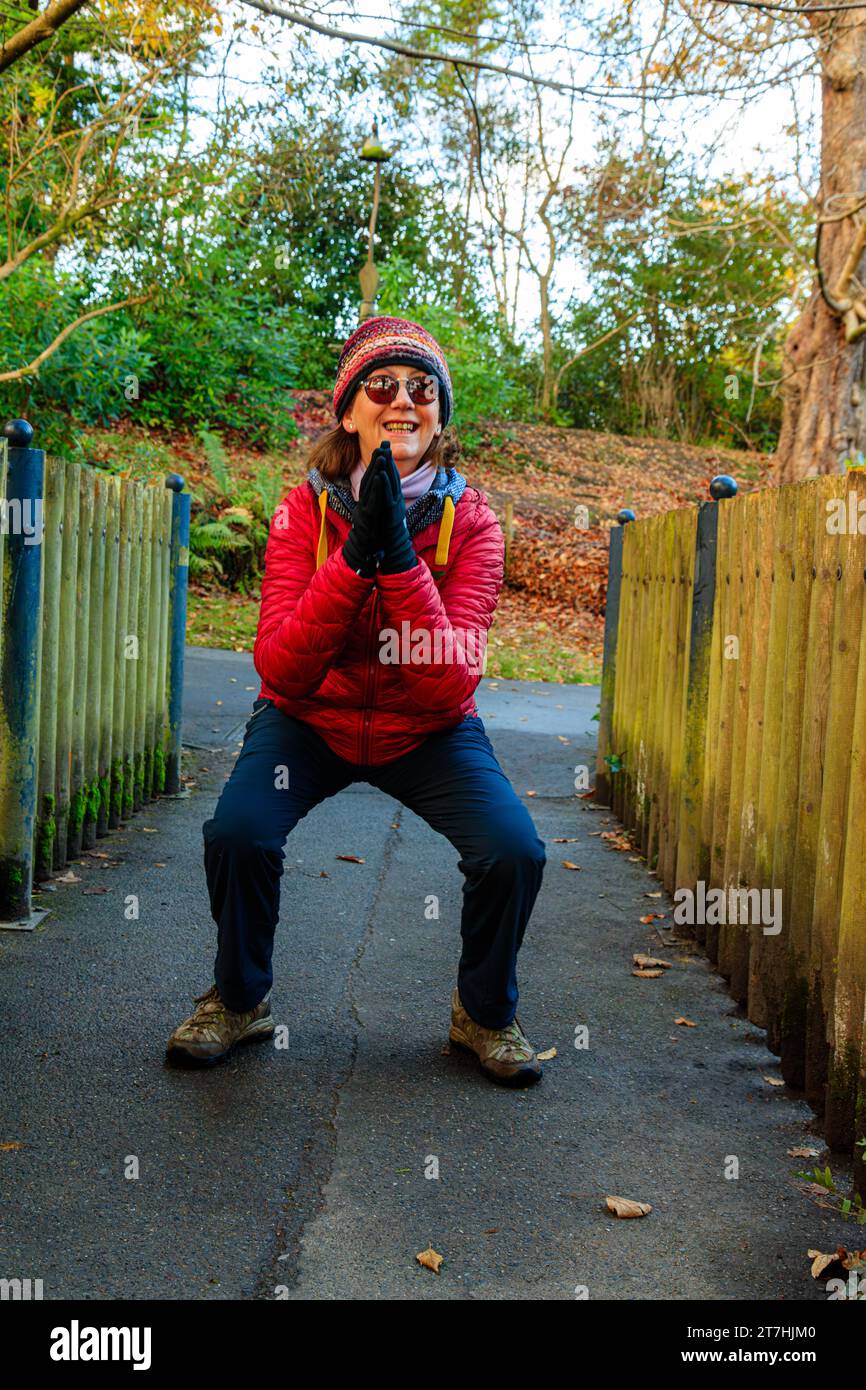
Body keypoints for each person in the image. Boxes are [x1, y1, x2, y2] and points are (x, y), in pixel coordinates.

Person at [165, 315, 547, 1086]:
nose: (402, 400)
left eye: (422, 388)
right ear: (348, 409)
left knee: (514, 851)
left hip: (428, 728)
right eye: (382, 385)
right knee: (238, 833)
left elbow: (448, 678)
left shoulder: (472, 523)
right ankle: (240, 1001)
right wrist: (351, 563)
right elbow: (280, 665)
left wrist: (399, 560)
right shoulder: (299, 512)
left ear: (440, 413)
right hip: (312, 721)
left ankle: (484, 1013)